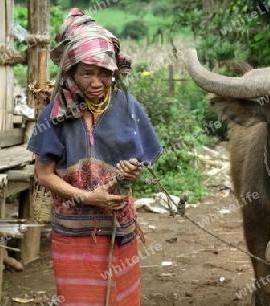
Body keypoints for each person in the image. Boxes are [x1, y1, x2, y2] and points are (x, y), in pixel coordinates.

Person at [26, 8, 163, 305]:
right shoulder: (55, 114)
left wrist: (131, 171)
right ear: (71, 73)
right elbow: (44, 174)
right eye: (87, 72)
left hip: (118, 226)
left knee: (120, 298)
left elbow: (141, 161)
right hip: (73, 233)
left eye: (104, 73)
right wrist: (88, 197)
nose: (97, 82)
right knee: (78, 298)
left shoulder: (128, 106)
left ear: (115, 71)